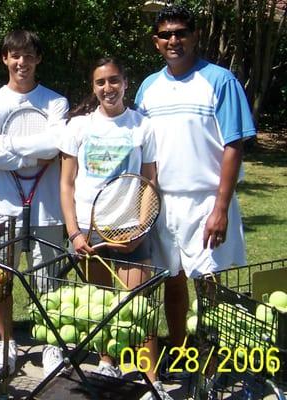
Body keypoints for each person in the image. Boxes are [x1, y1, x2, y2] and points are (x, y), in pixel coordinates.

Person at [135, 4, 256, 377]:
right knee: (172, 281)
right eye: (166, 34)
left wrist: (220, 208)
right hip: (161, 203)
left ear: (195, 36)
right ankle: (182, 355)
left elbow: (233, 145)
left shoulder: (220, 81)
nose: (174, 40)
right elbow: (139, 148)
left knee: (208, 286)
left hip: (206, 203)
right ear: (156, 42)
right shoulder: (147, 88)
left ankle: (210, 367)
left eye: (181, 32)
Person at [58, 57, 170, 400]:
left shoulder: (142, 126)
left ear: (125, 82)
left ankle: (151, 381)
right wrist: (75, 233)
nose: (108, 88)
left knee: (139, 311)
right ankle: (107, 364)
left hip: (132, 231)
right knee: (102, 306)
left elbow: (150, 183)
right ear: (93, 87)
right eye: (101, 82)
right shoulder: (78, 127)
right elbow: (66, 185)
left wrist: (140, 229)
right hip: (90, 233)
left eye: (114, 81)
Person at [0, 30, 69, 378]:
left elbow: (56, 145)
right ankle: (6, 344)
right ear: (5, 59)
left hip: (48, 209)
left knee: (48, 282)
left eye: (28, 56)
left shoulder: (56, 103)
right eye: (15, 56)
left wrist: (6, 144)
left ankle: (51, 346)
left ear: (37, 59)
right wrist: (31, 154)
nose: (21, 63)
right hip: (1, 209)